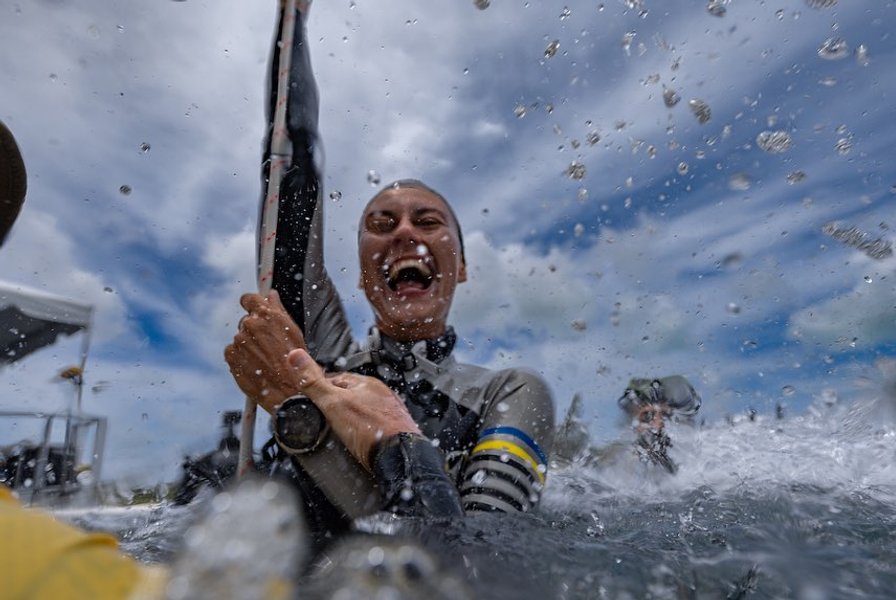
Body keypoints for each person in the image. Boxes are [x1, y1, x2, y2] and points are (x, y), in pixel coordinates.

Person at [224, 1, 555, 547]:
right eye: (381, 224)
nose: (404, 233)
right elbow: (290, 166)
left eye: (427, 221)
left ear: (463, 268)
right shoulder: (319, 356)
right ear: (360, 278)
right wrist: (295, 21)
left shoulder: (509, 393)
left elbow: (476, 565)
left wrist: (297, 409)